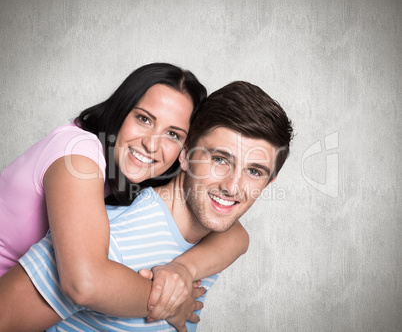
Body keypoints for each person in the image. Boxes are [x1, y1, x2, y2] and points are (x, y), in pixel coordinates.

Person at [0, 80, 294, 331]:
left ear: (269, 182)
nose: (232, 187)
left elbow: (238, 238)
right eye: (220, 160)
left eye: (254, 171)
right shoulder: (108, 240)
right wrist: (171, 303)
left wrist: (184, 269)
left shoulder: (213, 239)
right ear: (185, 155)